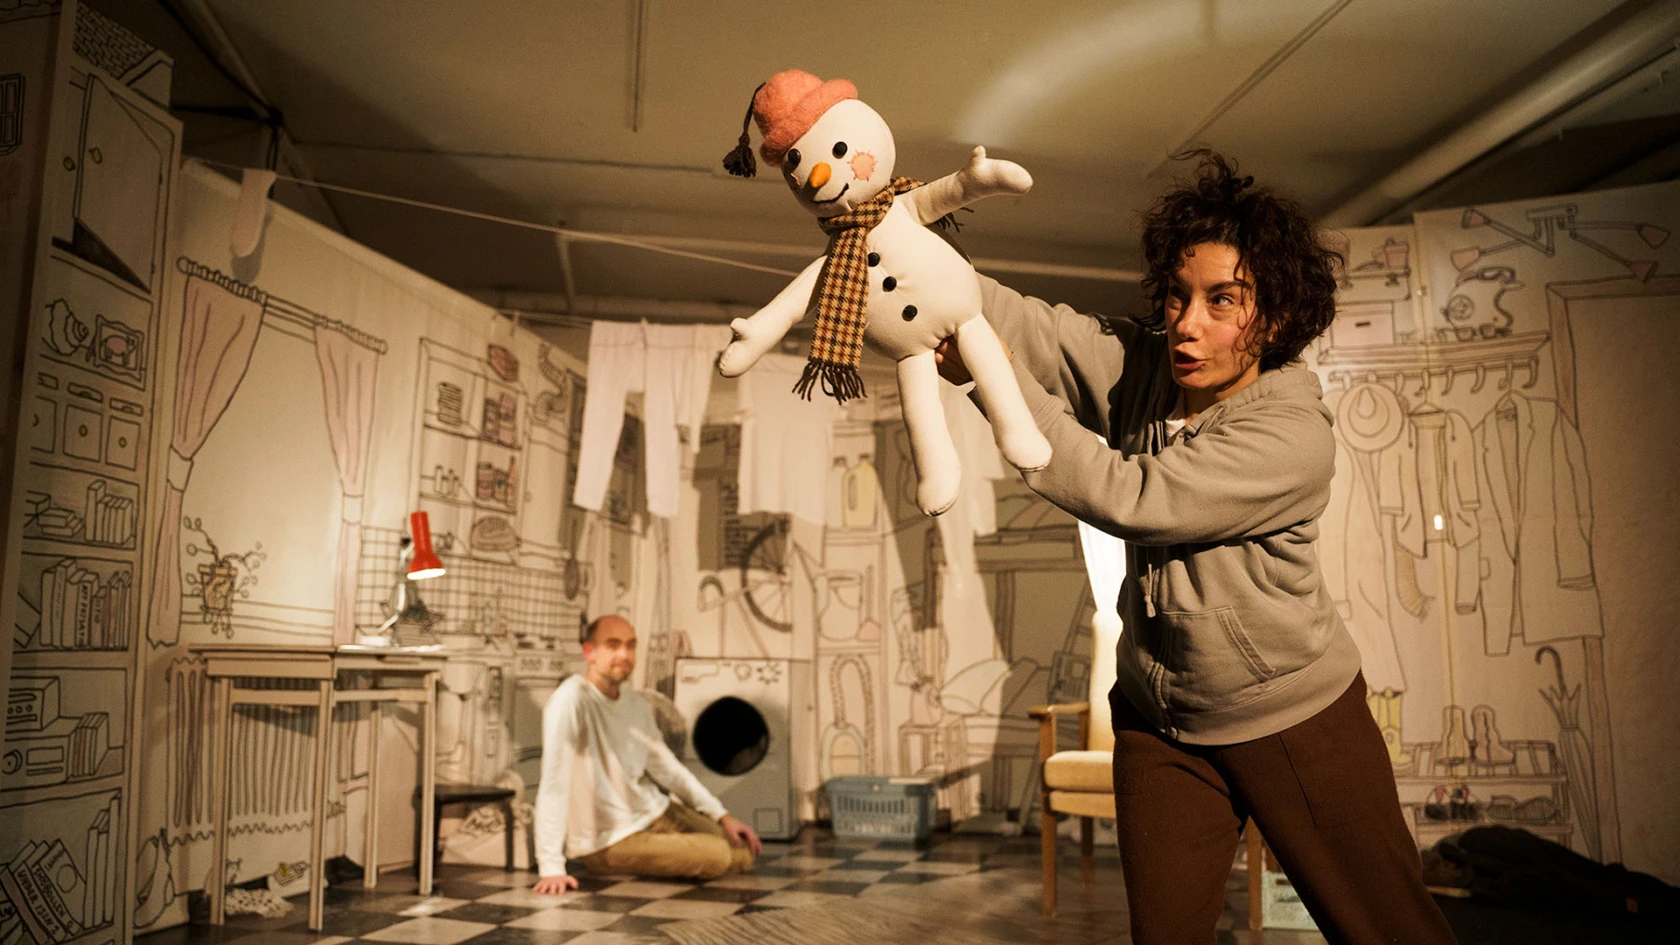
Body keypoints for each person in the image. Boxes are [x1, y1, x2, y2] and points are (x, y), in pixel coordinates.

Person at [934, 151, 1457, 944]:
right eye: (1179, 294)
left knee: (1388, 929)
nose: (1186, 322)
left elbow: (1135, 499)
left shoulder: (1290, 434)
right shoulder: (1149, 368)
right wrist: (917, 257)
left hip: (1293, 719)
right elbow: (1034, 326)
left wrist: (992, 382)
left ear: (1274, 318)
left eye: (1222, 301)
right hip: (1162, 721)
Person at [531, 615, 762, 895]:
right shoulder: (572, 699)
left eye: (630, 646)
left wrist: (722, 815)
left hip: (652, 810)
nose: (624, 654)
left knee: (741, 848)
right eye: (613, 645)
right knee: (720, 855)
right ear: (589, 652)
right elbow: (554, 783)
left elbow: (669, 769)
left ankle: (687, 849)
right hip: (609, 840)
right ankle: (659, 856)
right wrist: (551, 866)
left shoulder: (635, 704)